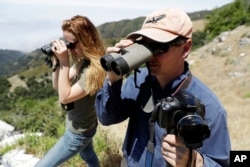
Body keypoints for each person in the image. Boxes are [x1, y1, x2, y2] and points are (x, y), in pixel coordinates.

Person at [95, 8, 231, 167]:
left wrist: (194, 161)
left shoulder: (210, 107)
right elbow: (107, 118)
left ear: (185, 49)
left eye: (159, 47)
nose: (150, 55)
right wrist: (113, 80)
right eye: (145, 46)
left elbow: (223, 163)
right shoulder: (139, 81)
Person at [35, 15, 106, 167]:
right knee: (89, 157)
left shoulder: (95, 70)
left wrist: (64, 62)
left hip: (78, 134)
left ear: (87, 40)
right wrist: (56, 62)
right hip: (86, 126)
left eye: (71, 44)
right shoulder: (83, 61)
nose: (69, 49)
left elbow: (65, 97)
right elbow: (58, 86)